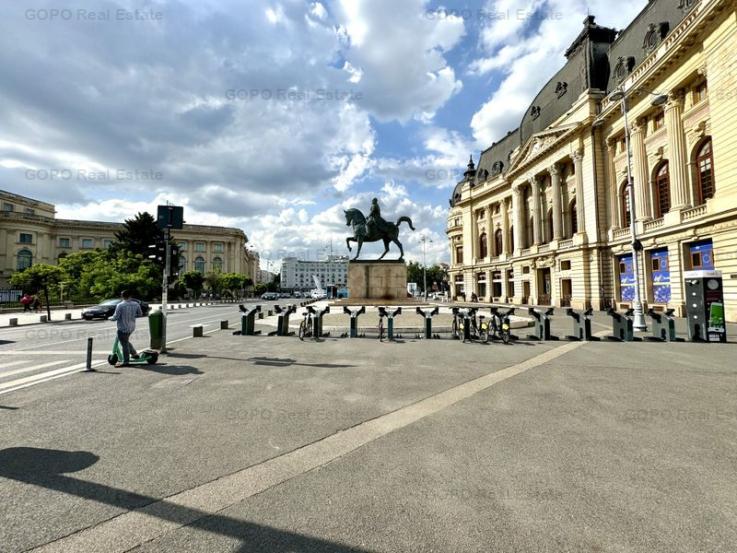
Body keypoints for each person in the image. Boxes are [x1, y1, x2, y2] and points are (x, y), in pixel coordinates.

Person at [110, 290, 142, 367]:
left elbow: (115, 317)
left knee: (124, 344)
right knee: (125, 341)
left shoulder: (120, 305)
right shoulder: (136, 304)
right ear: (130, 296)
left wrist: (109, 318)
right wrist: (132, 316)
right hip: (131, 327)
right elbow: (140, 314)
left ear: (122, 296)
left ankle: (126, 361)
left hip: (122, 328)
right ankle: (134, 354)